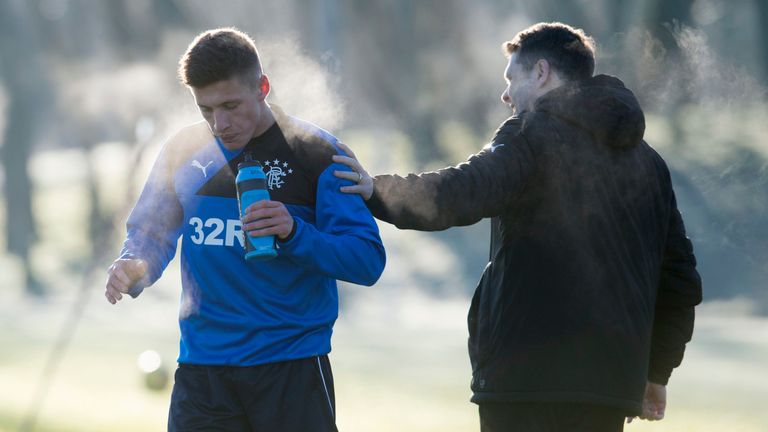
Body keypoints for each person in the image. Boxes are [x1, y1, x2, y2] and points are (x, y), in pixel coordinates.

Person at [333, 22, 702, 432]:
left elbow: (462, 191)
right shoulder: (649, 163)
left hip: (526, 382)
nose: (505, 94)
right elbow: (680, 280)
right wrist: (657, 372)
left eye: (512, 78)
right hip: (609, 391)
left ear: (541, 72)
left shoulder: (532, 136)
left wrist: (375, 190)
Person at [104, 27, 385, 432]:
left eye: (231, 105)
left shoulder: (320, 154)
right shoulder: (182, 151)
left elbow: (367, 261)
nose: (220, 123)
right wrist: (134, 263)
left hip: (291, 367)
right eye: (206, 109)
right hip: (203, 371)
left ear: (263, 87)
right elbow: (150, 234)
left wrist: (295, 233)